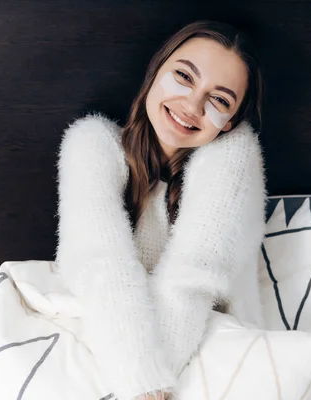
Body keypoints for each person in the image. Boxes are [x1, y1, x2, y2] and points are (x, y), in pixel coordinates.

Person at [55, 20, 267, 400]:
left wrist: (148, 387)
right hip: (111, 341)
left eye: (219, 100)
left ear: (230, 121)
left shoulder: (233, 154)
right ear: (157, 69)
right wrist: (139, 379)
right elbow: (99, 264)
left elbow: (193, 280)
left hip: (206, 343)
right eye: (184, 76)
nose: (192, 106)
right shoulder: (91, 143)